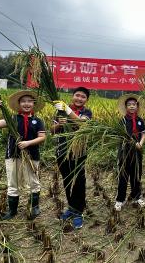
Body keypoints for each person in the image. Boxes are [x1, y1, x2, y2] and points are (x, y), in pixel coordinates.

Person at [0, 90, 46, 220]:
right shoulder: (12, 119)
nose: (26, 104)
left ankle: (35, 207)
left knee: (33, 181)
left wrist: (27, 143)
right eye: (23, 101)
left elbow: (42, 137)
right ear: (19, 103)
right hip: (13, 155)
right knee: (13, 183)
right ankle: (12, 210)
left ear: (34, 103)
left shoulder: (38, 121)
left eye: (29, 101)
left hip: (32, 155)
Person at [51, 87, 92, 229]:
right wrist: (59, 125)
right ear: (72, 96)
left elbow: (81, 124)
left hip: (78, 152)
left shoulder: (87, 113)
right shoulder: (59, 111)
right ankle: (71, 207)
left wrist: (68, 110)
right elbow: (52, 130)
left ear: (86, 100)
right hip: (62, 151)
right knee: (67, 180)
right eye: (77, 95)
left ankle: (79, 212)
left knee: (79, 181)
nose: (79, 98)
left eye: (83, 97)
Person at [114, 94, 145, 211]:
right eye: (129, 105)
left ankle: (137, 197)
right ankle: (120, 200)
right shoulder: (122, 120)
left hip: (137, 152)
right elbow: (118, 136)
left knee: (136, 175)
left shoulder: (140, 120)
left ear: (137, 107)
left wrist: (140, 144)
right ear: (126, 107)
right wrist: (127, 142)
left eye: (134, 105)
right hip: (124, 152)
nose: (132, 106)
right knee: (123, 176)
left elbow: (143, 134)